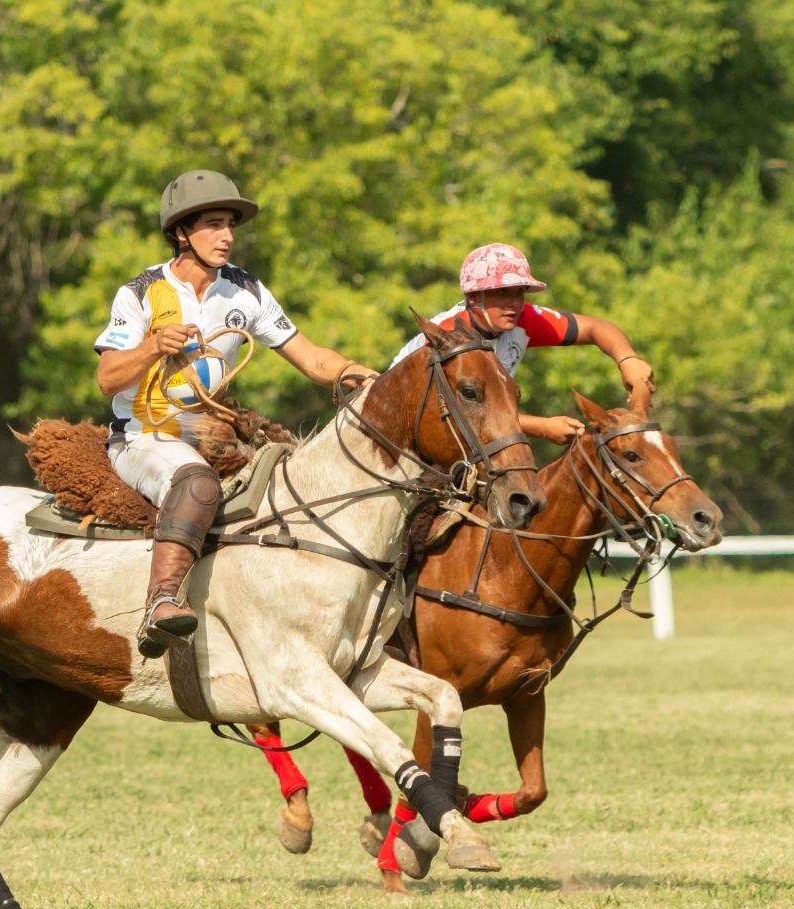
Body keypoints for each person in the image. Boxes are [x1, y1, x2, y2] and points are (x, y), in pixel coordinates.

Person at [95, 170, 374, 659]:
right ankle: (161, 602)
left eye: (230, 225)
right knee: (197, 482)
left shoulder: (247, 291)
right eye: (213, 224)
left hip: (211, 436)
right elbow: (107, 378)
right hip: (142, 438)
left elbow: (311, 359)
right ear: (182, 232)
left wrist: (370, 377)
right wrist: (154, 345)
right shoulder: (140, 290)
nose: (227, 236)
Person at [391, 242, 655, 444]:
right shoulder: (445, 336)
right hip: (403, 431)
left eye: (519, 292)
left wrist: (627, 359)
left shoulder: (523, 319)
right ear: (473, 297)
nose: (514, 303)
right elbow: (461, 412)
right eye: (502, 292)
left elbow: (598, 328)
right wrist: (540, 426)